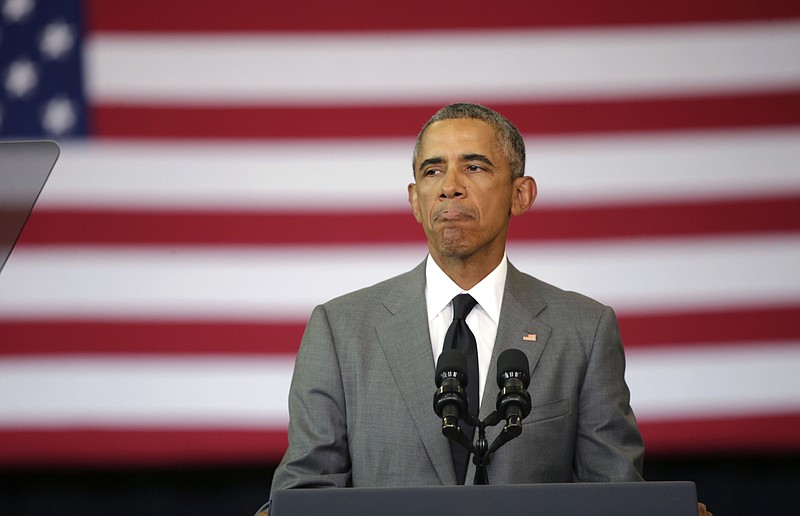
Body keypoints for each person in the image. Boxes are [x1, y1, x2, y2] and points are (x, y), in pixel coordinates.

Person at [259, 103, 711, 515]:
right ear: (415, 200)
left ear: (522, 194)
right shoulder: (340, 330)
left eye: (474, 167)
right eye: (433, 171)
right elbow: (305, 493)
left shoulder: (584, 330)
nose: (450, 188)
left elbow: (615, 495)